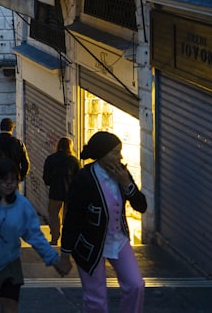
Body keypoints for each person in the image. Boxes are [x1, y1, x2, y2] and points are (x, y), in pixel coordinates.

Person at [0, 158, 69, 312]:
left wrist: (53, 259)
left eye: (13, 180)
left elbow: (34, 234)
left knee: (10, 306)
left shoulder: (22, 205)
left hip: (8, 260)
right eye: (4, 180)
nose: (9, 184)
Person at [56, 131, 147, 313]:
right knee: (96, 299)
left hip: (118, 240)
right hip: (90, 245)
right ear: (102, 154)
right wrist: (65, 255)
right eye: (115, 152)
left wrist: (126, 183)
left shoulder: (122, 173)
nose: (120, 156)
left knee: (136, 285)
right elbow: (72, 219)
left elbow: (141, 205)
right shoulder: (84, 179)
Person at [42, 136, 81, 245]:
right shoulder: (74, 160)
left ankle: (55, 238)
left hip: (55, 192)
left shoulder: (51, 159)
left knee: (54, 215)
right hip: (71, 193)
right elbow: (79, 178)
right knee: (69, 216)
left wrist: (51, 182)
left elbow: (46, 177)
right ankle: (69, 239)